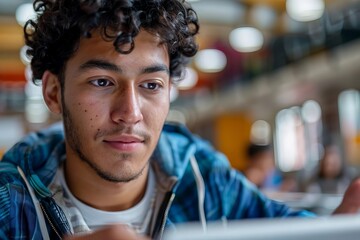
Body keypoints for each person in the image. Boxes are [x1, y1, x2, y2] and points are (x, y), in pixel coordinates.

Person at [1, 0, 360, 239]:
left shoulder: (204, 178)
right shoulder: (11, 200)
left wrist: (341, 224)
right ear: (53, 92)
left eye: (151, 85)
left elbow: (293, 231)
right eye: (102, 82)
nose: (131, 113)